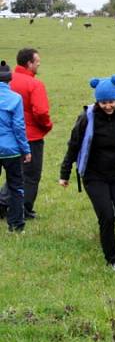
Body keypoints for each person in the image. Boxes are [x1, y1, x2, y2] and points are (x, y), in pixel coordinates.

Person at [59, 75, 115, 273]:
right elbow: (73, 146)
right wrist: (64, 173)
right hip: (94, 175)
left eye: (112, 101)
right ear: (97, 101)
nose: (108, 106)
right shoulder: (86, 118)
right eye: (103, 102)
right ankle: (112, 260)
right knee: (107, 217)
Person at [0, 48, 52, 220]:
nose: (39, 64)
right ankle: (24, 208)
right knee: (30, 175)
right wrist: (46, 126)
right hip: (31, 136)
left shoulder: (8, 80)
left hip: (8, 137)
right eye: (37, 61)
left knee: (15, 173)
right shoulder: (35, 84)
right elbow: (41, 111)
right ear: (29, 63)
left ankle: (4, 204)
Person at [0, 60, 31, 232]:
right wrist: (25, 149)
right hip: (11, 150)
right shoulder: (15, 98)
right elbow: (19, 127)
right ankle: (16, 224)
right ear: (9, 80)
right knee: (16, 186)